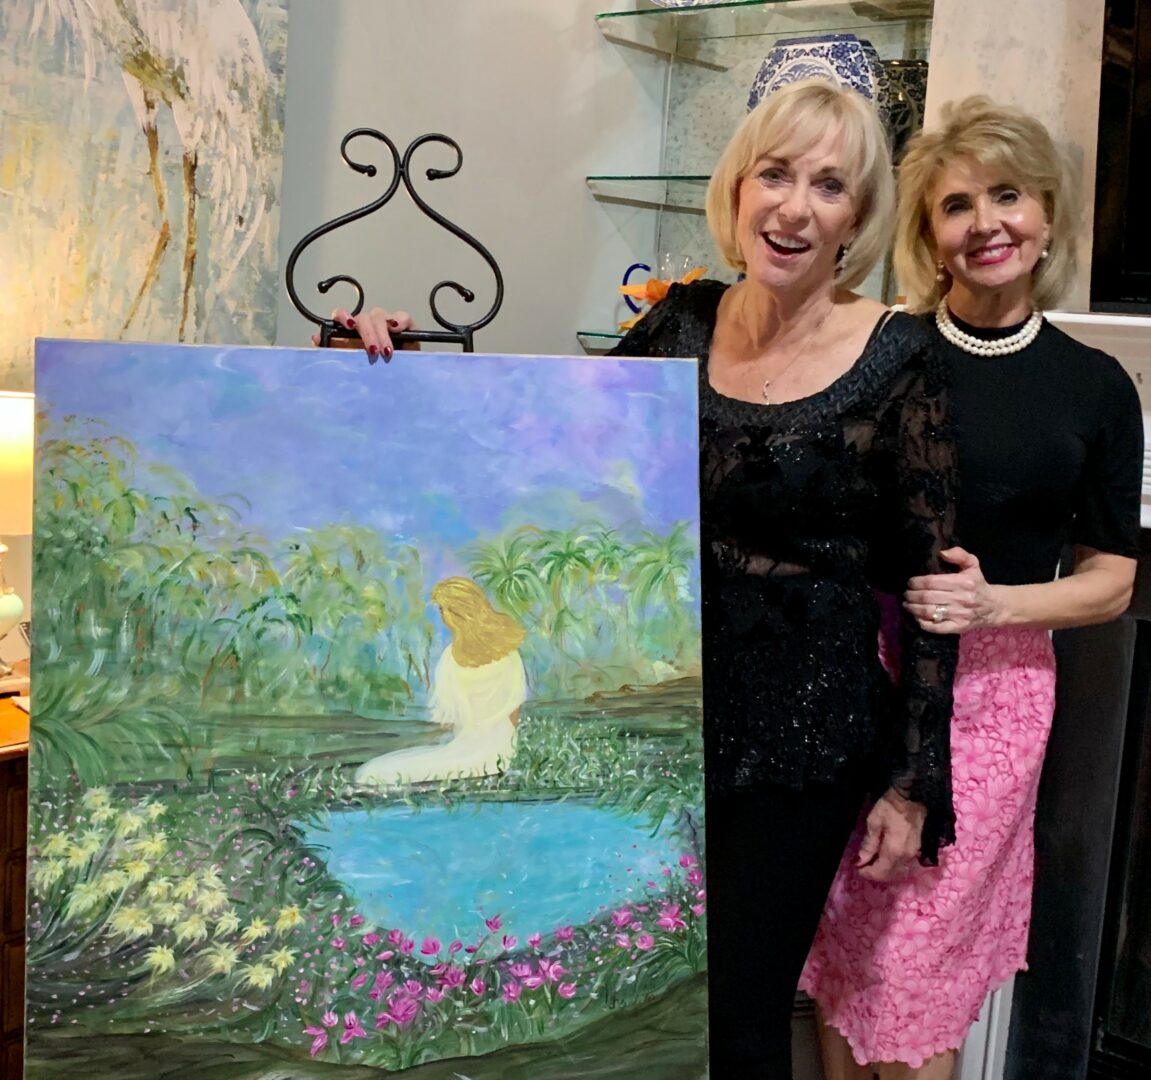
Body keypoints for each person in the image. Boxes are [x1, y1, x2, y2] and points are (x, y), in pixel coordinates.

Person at [323, 79, 960, 1076]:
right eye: (774, 173)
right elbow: (529, 444)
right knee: (640, 1005)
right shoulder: (681, 324)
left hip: (801, 739)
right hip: (667, 724)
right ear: (738, 186)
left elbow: (931, 590)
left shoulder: (899, 356)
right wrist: (385, 368)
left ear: (859, 216)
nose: (793, 207)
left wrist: (912, 783)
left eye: (828, 186)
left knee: (737, 1015)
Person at [801, 97, 1143, 1080]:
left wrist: (997, 605)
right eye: (956, 204)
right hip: (861, 681)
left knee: (922, 962)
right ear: (928, 234)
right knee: (848, 951)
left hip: (994, 704)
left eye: (1007, 196)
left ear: (1046, 215)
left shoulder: (1093, 387)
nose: (985, 222)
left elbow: (1109, 582)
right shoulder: (880, 355)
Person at [355, 577, 527, 786]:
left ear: (457, 613)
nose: (441, 616)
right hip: (503, 749)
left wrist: (464, 741)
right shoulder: (509, 653)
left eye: (442, 610)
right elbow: (515, 708)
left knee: (373, 773)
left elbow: (451, 717)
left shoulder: (450, 658)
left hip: (472, 747)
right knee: (379, 770)